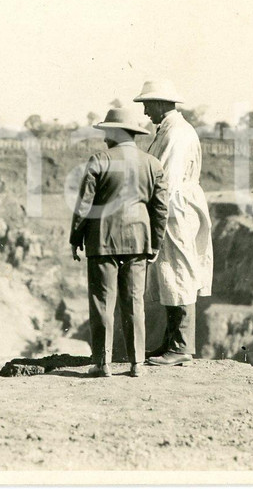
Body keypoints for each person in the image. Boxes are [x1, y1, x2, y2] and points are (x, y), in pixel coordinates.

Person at [70, 107, 169, 378]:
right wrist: (155, 242)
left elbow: (84, 205)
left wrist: (75, 238)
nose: (104, 138)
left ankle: (103, 364)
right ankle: (137, 363)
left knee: (102, 302)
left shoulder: (99, 160)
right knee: (135, 302)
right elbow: (161, 209)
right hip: (139, 240)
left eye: (107, 132)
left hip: (102, 241)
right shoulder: (153, 164)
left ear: (116, 132)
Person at [133, 79, 214, 367]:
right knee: (169, 273)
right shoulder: (169, 130)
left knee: (179, 271)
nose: (145, 112)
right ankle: (172, 341)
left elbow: (165, 179)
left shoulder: (177, 133)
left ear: (159, 103)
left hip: (175, 208)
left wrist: (152, 211)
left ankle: (181, 346)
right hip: (172, 205)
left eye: (147, 105)